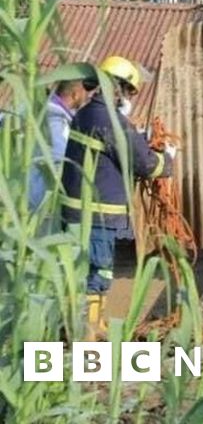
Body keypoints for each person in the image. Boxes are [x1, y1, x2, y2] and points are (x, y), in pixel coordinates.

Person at [61, 56, 176, 340]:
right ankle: (88, 330)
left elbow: (117, 152)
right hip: (98, 214)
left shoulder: (85, 114)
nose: (129, 99)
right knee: (98, 271)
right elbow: (146, 164)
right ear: (118, 89)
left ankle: (87, 324)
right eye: (128, 92)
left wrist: (137, 138)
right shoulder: (112, 122)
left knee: (80, 269)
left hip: (75, 211)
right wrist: (167, 158)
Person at [29, 76, 96, 212]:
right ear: (75, 94)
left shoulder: (43, 110)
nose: (88, 98)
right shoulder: (55, 121)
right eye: (86, 93)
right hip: (39, 201)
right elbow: (59, 162)